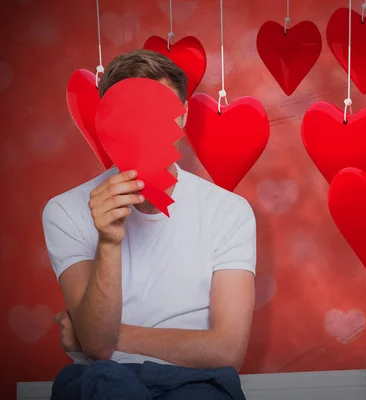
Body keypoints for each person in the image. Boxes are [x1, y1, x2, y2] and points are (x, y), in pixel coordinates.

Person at [42, 50, 256, 400]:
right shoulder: (65, 210)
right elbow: (97, 350)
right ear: (107, 122)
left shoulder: (229, 211)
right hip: (101, 378)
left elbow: (227, 351)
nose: (147, 129)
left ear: (183, 116)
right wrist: (108, 241)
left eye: (161, 113)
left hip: (197, 382)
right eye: (133, 116)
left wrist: (108, 335)